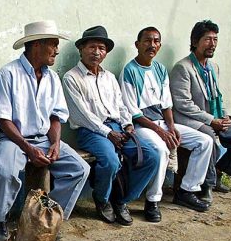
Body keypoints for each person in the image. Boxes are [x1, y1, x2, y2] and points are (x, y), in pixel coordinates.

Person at [0, 20, 90, 241]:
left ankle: (47, 218)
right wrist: (28, 148)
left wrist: (55, 143)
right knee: (6, 171)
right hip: (14, 140)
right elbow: (3, 119)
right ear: (36, 45)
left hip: (45, 139)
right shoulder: (8, 74)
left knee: (80, 169)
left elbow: (56, 117)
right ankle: (0, 220)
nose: (57, 49)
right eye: (53, 44)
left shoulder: (52, 78)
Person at [62, 26, 159, 226]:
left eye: (101, 48)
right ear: (81, 49)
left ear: (106, 52)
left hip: (118, 128)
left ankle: (121, 200)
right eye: (91, 47)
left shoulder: (109, 78)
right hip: (91, 132)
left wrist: (128, 125)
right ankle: (102, 200)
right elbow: (83, 115)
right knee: (111, 161)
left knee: (152, 156)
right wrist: (108, 133)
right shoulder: (71, 78)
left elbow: (121, 106)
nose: (96, 52)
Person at [119, 26, 213, 221]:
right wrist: (162, 132)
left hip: (162, 123)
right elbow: (134, 113)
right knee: (161, 149)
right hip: (142, 126)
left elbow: (167, 104)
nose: (152, 45)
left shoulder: (160, 69)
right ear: (137, 45)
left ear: (159, 45)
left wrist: (171, 128)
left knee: (204, 141)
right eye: (147, 41)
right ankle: (152, 201)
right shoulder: (129, 71)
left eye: (156, 41)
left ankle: (187, 191)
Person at [170, 20, 231, 202]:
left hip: (214, 117)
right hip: (191, 119)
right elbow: (182, 104)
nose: (212, 44)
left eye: (215, 39)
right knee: (209, 137)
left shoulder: (212, 67)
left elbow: (217, 96)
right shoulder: (183, 67)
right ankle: (207, 185)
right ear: (195, 42)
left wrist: (224, 116)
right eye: (207, 39)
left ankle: (219, 170)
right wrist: (211, 120)